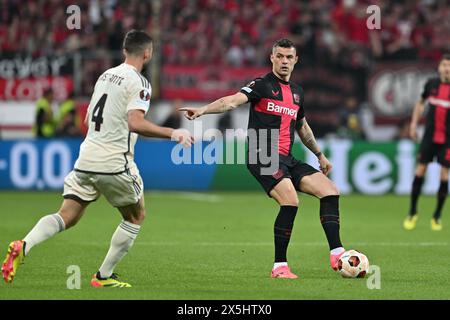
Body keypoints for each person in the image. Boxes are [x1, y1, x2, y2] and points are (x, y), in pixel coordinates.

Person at [1, 30, 193, 287]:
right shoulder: (139, 83)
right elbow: (135, 123)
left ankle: (24, 244)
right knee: (135, 217)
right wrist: (173, 133)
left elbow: (87, 118)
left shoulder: (105, 76)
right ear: (147, 53)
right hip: (114, 162)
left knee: (67, 215)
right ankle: (103, 276)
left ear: (124, 50)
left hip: (86, 158)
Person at [180, 39, 353, 279]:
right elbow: (230, 101)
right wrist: (202, 110)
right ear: (272, 58)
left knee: (330, 191)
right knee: (291, 201)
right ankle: (279, 267)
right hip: (263, 154)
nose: (284, 61)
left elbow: (302, 127)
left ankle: (337, 253)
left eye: (288, 57)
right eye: (279, 56)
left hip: (288, 158)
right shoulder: (261, 85)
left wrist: (320, 155)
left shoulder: (297, 93)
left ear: (295, 60)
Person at [404, 54, 450, 231]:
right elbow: (420, 103)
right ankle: (412, 212)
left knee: (444, 175)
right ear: (439, 68)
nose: (446, 68)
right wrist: (414, 124)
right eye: (444, 65)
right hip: (429, 137)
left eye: (449, 66)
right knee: (420, 170)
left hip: (447, 140)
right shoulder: (431, 84)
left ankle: (437, 216)